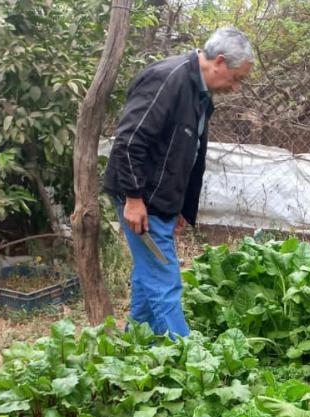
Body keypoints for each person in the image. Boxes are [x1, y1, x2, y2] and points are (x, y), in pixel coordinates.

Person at [102, 27, 254, 339]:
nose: (236, 88)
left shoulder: (199, 94)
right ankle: (190, 366)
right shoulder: (169, 79)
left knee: (149, 281)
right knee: (165, 280)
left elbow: (187, 154)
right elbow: (129, 140)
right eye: (236, 78)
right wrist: (133, 198)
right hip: (143, 200)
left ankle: (134, 346)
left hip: (161, 203)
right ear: (219, 62)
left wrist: (182, 207)